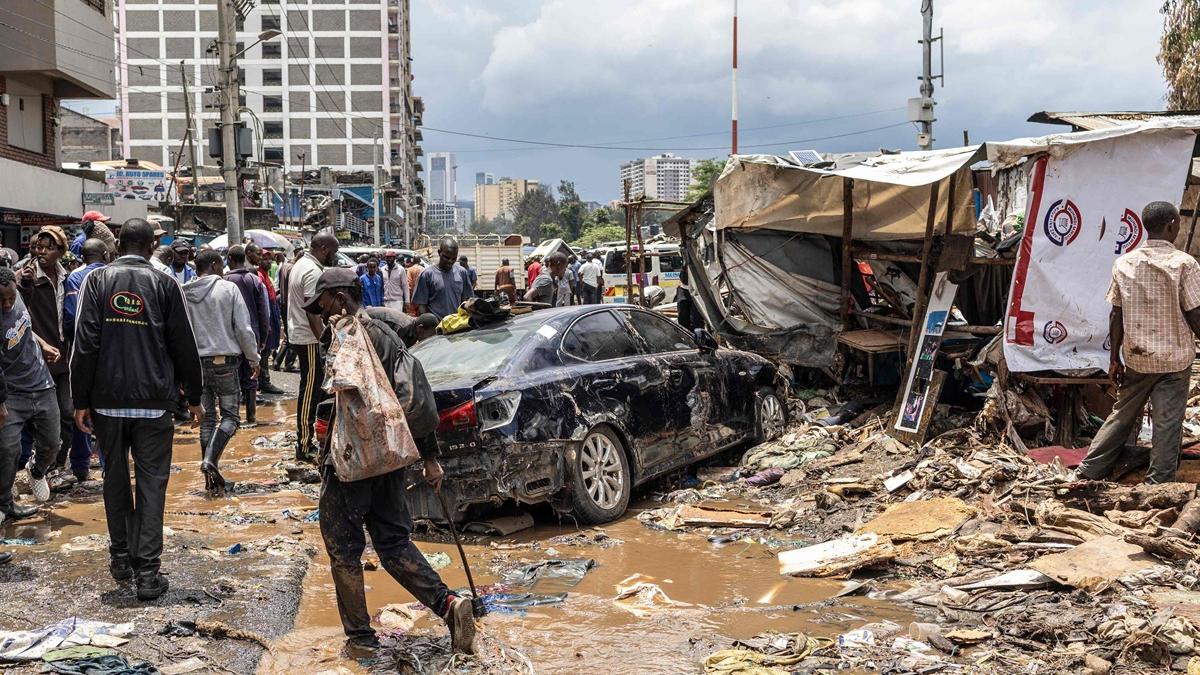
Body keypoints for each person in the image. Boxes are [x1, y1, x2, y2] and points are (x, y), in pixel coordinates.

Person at [302, 268, 476, 655]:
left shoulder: (347, 338)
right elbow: (416, 399)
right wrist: (430, 458)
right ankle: (449, 605)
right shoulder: (390, 337)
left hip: (351, 465)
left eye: (325, 304)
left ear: (342, 298)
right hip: (391, 459)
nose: (322, 312)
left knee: (343, 549)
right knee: (394, 543)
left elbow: (335, 404)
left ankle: (360, 640)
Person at [72, 218, 203, 601]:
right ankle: (147, 573)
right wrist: (194, 397)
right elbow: (184, 345)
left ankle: (120, 559)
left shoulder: (95, 283)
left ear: (117, 247)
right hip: (154, 404)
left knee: (113, 479)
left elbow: (85, 344)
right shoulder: (165, 284)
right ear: (150, 246)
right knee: (151, 485)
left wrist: (80, 401)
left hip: (107, 404)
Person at [1078, 201, 1200, 485]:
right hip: (1174, 359)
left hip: (1137, 357)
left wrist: (1113, 360)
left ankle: (1089, 469)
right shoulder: (1184, 264)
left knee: (1122, 415)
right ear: (1172, 224)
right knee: (1167, 423)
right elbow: (1195, 314)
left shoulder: (1124, 263)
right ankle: (1157, 484)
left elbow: (1115, 314)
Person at [184, 250, 260, 493]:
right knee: (231, 417)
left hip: (194, 364)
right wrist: (253, 358)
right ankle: (210, 461)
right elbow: (243, 328)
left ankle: (210, 476)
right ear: (216, 265)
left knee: (205, 418)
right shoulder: (228, 290)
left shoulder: (184, 292)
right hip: (224, 363)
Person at [0, 267, 61, 522]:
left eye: (10, 298)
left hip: (41, 382)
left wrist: (43, 343)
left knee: (52, 441)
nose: (6, 304)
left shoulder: (18, 296)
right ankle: (5, 503)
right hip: (10, 392)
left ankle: (36, 472)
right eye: (0, 301)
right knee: (7, 450)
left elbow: (23, 326)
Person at [18, 226, 79, 478]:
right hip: (37, 359)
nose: (41, 251)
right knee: (40, 418)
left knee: (67, 413)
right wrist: (26, 283)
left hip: (63, 358)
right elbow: (19, 315)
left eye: (48, 247)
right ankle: (36, 465)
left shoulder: (68, 277)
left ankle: (54, 463)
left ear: (60, 251)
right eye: (38, 247)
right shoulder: (26, 276)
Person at [287, 233, 339, 462]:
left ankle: (309, 439)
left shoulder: (302, 264)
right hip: (308, 337)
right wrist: (323, 340)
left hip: (302, 334)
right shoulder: (311, 271)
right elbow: (312, 311)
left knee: (312, 388)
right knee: (309, 390)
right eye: (334, 251)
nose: (335, 256)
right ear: (325, 248)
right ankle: (304, 444)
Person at [223, 246, 270, 426]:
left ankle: (232, 420)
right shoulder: (255, 281)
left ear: (229, 260)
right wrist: (263, 338)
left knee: (232, 377)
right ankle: (251, 418)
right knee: (251, 377)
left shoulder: (224, 280)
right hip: (252, 336)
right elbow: (263, 312)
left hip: (229, 338)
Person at [246, 244, 283, 395]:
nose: (267, 261)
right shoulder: (258, 276)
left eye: (269, 259)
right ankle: (263, 381)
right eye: (264, 258)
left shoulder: (266, 276)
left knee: (267, 350)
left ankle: (263, 380)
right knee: (264, 350)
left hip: (271, 312)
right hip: (264, 315)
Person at [411, 238, 474, 320]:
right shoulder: (427, 275)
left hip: (457, 326)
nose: (450, 261)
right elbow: (422, 306)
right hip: (437, 327)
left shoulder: (462, 273)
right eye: (447, 258)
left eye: (454, 258)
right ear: (439, 252)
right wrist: (430, 324)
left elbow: (466, 300)